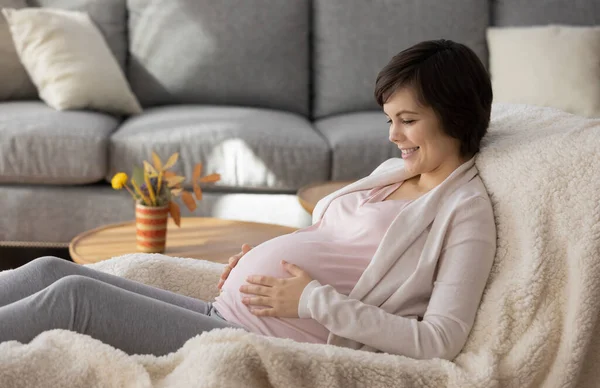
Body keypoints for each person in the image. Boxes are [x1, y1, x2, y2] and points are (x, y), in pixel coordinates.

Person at [0, 39, 496, 360]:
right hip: (229, 310)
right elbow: (335, 245)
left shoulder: (465, 211)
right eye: (389, 120)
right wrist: (255, 263)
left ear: (454, 113)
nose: (393, 136)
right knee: (49, 271)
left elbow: (439, 340)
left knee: (75, 299)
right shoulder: (393, 172)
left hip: (262, 343)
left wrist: (310, 299)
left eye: (407, 120)